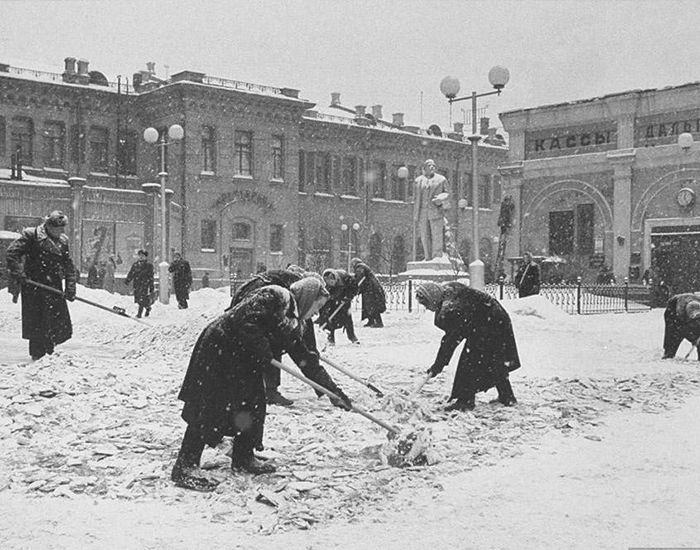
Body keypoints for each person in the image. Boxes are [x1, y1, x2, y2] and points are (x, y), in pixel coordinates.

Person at [171, 278, 352, 492]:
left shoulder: (293, 323)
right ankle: (185, 466)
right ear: (308, 298)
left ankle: (243, 457)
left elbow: (306, 361)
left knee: (253, 405)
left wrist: (333, 392)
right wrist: (262, 349)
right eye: (318, 306)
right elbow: (247, 321)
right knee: (208, 408)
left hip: (242, 358)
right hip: (219, 349)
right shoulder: (275, 296)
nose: (317, 313)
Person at [416, 280, 520, 411]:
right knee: (494, 361)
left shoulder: (453, 307)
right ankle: (507, 397)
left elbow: (451, 340)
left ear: (434, 298)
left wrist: (438, 365)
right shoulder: (449, 292)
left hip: (490, 324)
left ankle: (465, 401)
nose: (427, 308)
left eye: (427, 304)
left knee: (469, 363)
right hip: (495, 319)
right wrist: (439, 364)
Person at [226, 265, 313, 406]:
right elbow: (251, 325)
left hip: (245, 312)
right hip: (247, 315)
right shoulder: (284, 292)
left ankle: (266, 390)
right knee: (269, 345)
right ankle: (265, 391)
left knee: (272, 343)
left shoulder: (290, 288)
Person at [6, 211, 77, 360]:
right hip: (34, 285)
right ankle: (38, 356)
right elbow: (12, 252)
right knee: (38, 323)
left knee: (56, 322)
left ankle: (50, 354)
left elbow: (68, 266)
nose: (62, 231)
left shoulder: (62, 241)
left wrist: (70, 287)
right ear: (50, 226)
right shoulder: (32, 236)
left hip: (53, 285)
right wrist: (19, 273)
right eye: (60, 228)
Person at [413, 159, 450, 260]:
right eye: (429, 165)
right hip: (422, 211)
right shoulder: (418, 181)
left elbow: (448, 193)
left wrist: (441, 198)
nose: (432, 167)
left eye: (433, 165)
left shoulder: (441, 179)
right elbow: (416, 198)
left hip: (435, 210)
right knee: (424, 235)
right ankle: (427, 256)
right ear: (424, 168)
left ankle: (437, 256)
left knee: (436, 234)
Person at [318, 268, 359, 346]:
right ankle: (330, 338)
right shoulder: (324, 285)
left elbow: (354, 286)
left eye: (332, 282)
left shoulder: (345, 277)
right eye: (329, 283)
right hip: (331, 299)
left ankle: (352, 337)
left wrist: (348, 296)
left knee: (347, 317)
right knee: (328, 317)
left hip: (344, 298)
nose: (331, 284)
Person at [662, 293, 700, 360]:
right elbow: (683, 329)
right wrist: (694, 339)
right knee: (674, 334)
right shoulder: (680, 312)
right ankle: (669, 353)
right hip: (673, 307)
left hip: (691, 302)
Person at [351, 258, 386, 328]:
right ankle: (371, 321)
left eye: (352, 264)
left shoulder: (360, 267)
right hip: (371, 288)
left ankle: (379, 322)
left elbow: (359, 278)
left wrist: (354, 287)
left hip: (371, 289)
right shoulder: (363, 267)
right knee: (368, 306)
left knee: (372, 306)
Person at [125, 249, 154, 318]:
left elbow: (151, 277)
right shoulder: (135, 265)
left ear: (145, 257)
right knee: (138, 299)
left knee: (142, 298)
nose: (141, 257)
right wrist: (128, 280)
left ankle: (139, 314)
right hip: (137, 284)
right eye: (140, 255)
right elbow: (131, 273)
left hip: (144, 284)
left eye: (143, 256)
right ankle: (148, 307)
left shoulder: (149, 266)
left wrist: (151, 286)